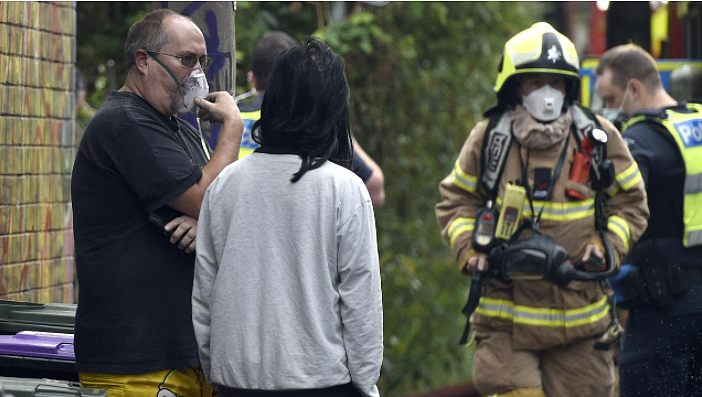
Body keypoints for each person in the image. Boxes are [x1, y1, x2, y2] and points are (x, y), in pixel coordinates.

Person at [435, 23, 649, 397]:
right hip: (505, 322)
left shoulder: (597, 138)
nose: (548, 93)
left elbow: (630, 203)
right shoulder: (490, 138)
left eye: (557, 82)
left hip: (580, 322)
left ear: (569, 87)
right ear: (516, 86)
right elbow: (456, 202)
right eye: (536, 82)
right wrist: (469, 251)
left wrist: (607, 244)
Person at [192, 38, 383, 397]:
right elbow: (361, 306)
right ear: (334, 109)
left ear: (272, 100)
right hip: (322, 384)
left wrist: (217, 369)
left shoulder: (224, 186)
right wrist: (365, 383)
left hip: (235, 382)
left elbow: (204, 297)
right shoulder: (345, 190)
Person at [71, 9, 243, 396]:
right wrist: (232, 128)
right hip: (137, 365)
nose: (198, 72)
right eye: (187, 60)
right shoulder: (126, 122)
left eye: (203, 61)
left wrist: (205, 223)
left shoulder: (176, 125)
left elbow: (219, 203)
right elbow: (204, 197)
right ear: (144, 60)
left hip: (182, 358)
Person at [596, 44, 702, 397]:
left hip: (662, 309)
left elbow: (613, 219)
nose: (609, 109)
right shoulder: (698, 121)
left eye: (611, 98)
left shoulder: (635, 142)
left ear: (635, 89)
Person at [239, 31, 386, 209]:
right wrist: (343, 132)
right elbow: (375, 190)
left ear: (252, 79)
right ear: (301, 80)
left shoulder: (229, 120)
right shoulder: (309, 124)